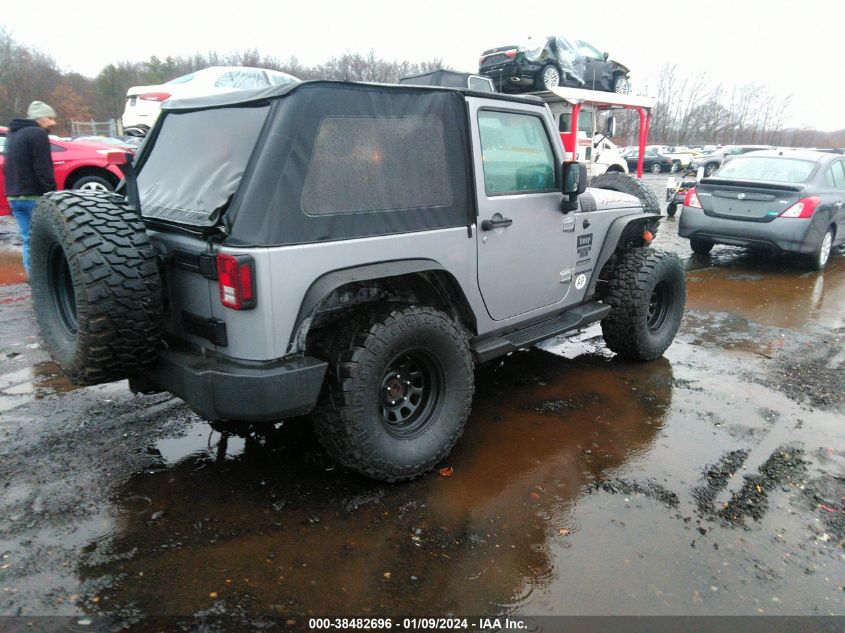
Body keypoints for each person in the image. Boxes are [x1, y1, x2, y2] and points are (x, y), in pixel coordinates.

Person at [4, 101, 57, 275]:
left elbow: (7, 167)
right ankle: (50, 277)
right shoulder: (38, 134)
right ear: (40, 119)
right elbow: (43, 167)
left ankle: (33, 275)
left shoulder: (13, 135)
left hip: (14, 196)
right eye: (50, 118)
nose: (53, 123)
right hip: (34, 195)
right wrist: (52, 192)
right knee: (48, 239)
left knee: (28, 238)